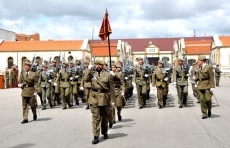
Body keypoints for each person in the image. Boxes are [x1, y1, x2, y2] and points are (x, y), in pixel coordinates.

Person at [88, 60, 115, 144]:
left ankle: (105, 131)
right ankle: (96, 136)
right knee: (96, 118)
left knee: (105, 117)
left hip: (104, 98)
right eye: (97, 64)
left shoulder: (108, 75)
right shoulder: (92, 74)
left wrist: (113, 101)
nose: (98, 66)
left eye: (100, 64)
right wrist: (88, 69)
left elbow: (112, 88)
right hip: (94, 97)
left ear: (103, 66)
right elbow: (85, 78)